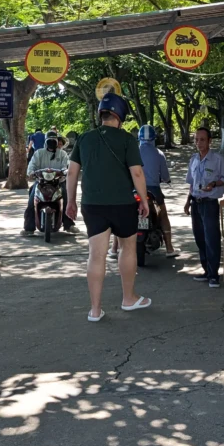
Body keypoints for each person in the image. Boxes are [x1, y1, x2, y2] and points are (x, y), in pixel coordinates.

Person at [67, 91, 152, 322]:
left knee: (96, 255)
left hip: (92, 205)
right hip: (122, 204)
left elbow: (72, 173)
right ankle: (129, 298)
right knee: (128, 248)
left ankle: (95, 310)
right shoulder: (126, 139)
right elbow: (136, 172)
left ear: (100, 113)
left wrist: (70, 201)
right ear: (121, 115)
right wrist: (144, 200)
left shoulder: (84, 138)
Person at [109, 125, 177, 260]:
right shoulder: (159, 154)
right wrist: (166, 180)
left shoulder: (132, 151)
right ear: (154, 138)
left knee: (122, 216)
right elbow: (165, 176)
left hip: (133, 189)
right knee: (163, 215)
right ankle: (169, 248)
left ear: (139, 138)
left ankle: (114, 248)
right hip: (154, 190)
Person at [184, 127, 224, 288]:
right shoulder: (194, 159)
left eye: (202, 139)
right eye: (196, 139)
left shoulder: (217, 159)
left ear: (209, 141)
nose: (199, 143)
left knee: (212, 239)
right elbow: (191, 183)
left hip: (209, 203)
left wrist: (214, 184)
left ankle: (214, 275)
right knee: (200, 238)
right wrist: (188, 201)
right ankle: (206, 270)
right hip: (196, 202)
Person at [21, 131, 76, 236]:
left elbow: (66, 166)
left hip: (59, 182)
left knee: (66, 198)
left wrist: (64, 171)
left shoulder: (62, 154)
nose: (52, 143)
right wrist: (32, 172)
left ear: (57, 141)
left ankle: (69, 224)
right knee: (31, 200)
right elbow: (32, 165)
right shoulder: (39, 153)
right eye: (49, 141)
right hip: (41, 182)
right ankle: (29, 227)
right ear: (45, 142)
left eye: (54, 141)